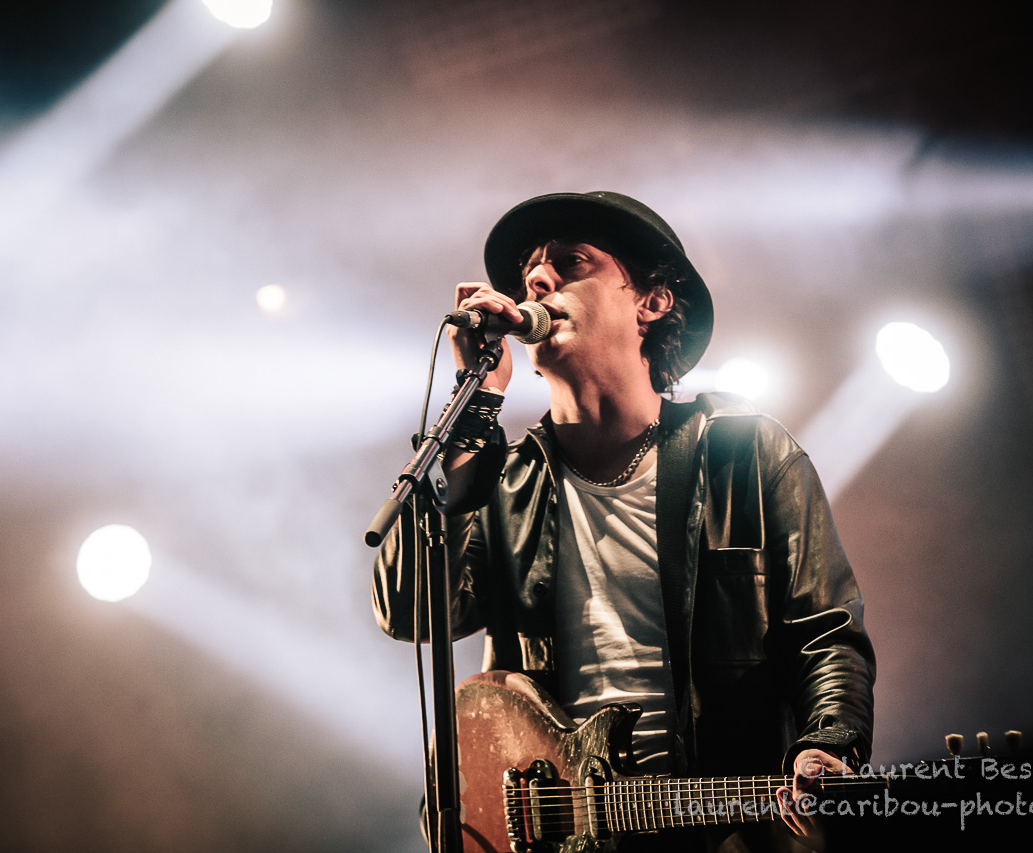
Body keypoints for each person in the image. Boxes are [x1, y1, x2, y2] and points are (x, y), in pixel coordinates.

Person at [373, 191, 875, 851]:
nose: (537, 279)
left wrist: (828, 745)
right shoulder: (503, 483)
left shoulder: (745, 454)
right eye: (529, 272)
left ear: (652, 301)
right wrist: (474, 412)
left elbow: (826, 633)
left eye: (571, 262)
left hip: (725, 830)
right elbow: (411, 610)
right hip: (558, 835)